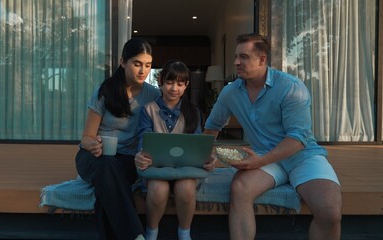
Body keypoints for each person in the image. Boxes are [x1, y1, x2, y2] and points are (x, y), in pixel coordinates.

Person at [204, 33, 342, 240]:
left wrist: (260, 161)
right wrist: (204, 154)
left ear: (262, 59)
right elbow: (213, 126)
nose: (236, 62)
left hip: (302, 157)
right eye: (236, 56)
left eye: (243, 57)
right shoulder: (230, 92)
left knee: (330, 212)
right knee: (240, 188)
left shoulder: (290, 87)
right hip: (265, 158)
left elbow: (298, 138)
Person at [75, 38, 160, 240]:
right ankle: (135, 235)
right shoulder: (105, 92)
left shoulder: (154, 96)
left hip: (128, 160)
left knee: (108, 184)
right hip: (93, 157)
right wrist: (94, 145)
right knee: (106, 165)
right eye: (137, 64)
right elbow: (86, 138)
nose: (143, 71)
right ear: (123, 62)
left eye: (148, 65)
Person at [134, 60, 216, 240]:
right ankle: (152, 231)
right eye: (169, 82)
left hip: (185, 171)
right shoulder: (148, 110)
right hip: (157, 171)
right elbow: (144, 141)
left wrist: (207, 158)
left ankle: (184, 231)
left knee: (186, 188)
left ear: (186, 85)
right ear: (160, 81)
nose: (174, 88)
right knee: (157, 189)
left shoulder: (193, 112)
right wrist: (141, 156)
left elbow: (197, 146)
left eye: (180, 84)